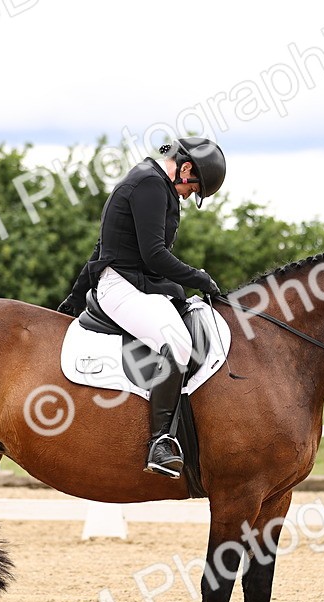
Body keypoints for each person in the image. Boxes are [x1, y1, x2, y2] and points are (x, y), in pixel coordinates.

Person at [57, 137, 226, 479]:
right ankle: (160, 441)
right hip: (123, 287)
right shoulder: (149, 183)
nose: (190, 195)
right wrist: (200, 278)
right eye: (194, 189)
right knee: (176, 340)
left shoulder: (153, 182)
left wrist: (76, 295)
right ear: (186, 168)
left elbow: (104, 245)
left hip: (135, 284)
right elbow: (155, 255)